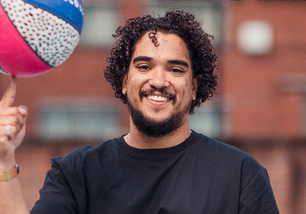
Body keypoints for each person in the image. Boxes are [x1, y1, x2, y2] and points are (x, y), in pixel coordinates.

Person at [0, 10, 279, 214]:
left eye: (175, 69)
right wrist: (3, 161)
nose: (158, 81)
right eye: (144, 66)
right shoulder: (77, 173)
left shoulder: (241, 175)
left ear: (194, 87)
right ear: (124, 81)